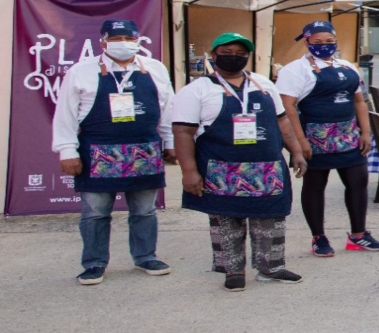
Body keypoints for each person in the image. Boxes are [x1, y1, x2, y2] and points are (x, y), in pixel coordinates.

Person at [173, 33, 307, 292]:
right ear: (214, 55)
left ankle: (271, 267)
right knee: (227, 219)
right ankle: (233, 270)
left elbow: (282, 121)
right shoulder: (197, 90)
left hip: (266, 168)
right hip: (222, 169)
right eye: (227, 51)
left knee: (270, 218)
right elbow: (183, 132)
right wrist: (188, 171)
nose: (234, 56)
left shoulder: (263, 84)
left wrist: (297, 151)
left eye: (240, 52)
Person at [53, 19, 174, 285]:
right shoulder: (81, 71)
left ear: (138, 40)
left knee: (144, 211)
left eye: (128, 39)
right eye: (116, 39)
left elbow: (167, 110)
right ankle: (94, 263)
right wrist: (66, 150)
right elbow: (65, 114)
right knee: (95, 213)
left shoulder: (154, 69)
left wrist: (170, 142)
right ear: (103, 42)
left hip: (144, 151)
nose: (123, 44)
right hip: (98, 153)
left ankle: (146, 256)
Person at [277, 21, 379, 258]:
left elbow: (359, 101)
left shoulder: (348, 66)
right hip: (315, 137)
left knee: (358, 183)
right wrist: (300, 141)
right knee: (315, 186)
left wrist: (365, 132)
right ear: (306, 42)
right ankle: (319, 238)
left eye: (329, 41)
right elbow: (288, 107)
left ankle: (358, 234)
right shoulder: (295, 70)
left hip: (349, 135)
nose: (324, 46)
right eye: (317, 42)